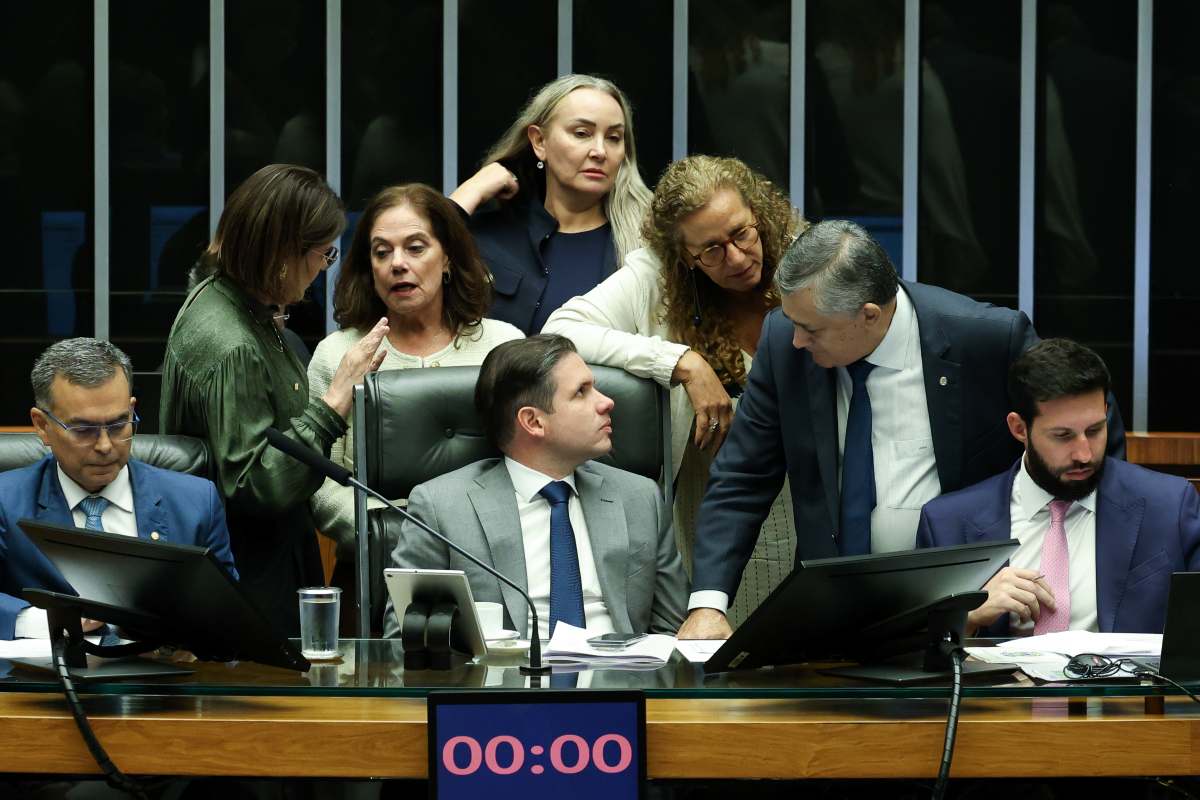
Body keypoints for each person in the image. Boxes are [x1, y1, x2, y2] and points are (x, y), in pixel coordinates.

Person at [679, 219, 1127, 640]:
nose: (797, 339)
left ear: (869, 315)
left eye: (811, 329)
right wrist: (707, 604)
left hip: (963, 612)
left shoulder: (985, 340)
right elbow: (743, 476)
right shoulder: (785, 343)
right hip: (833, 615)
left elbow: (1083, 424)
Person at [544, 155, 807, 628]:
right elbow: (561, 329)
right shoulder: (656, 275)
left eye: (741, 234)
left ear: (757, 213)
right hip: (714, 497)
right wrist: (680, 361)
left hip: (812, 488)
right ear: (684, 255)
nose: (736, 258)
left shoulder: (805, 254)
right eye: (711, 250)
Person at [160, 164, 389, 636]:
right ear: (284, 254)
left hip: (260, 563)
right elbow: (257, 486)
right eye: (323, 254)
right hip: (249, 583)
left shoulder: (225, 299)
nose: (324, 267)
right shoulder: (234, 343)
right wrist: (336, 399)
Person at [383, 334, 687, 640]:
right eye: (581, 392)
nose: (607, 402)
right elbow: (405, 639)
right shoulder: (442, 507)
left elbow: (674, 632)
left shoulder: (640, 498)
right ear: (533, 422)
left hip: (621, 667)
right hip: (508, 669)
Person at [917, 339, 1199, 635]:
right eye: (1063, 436)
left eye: (1095, 430)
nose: (1084, 454)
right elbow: (915, 647)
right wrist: (969, 618)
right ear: (1019, 428)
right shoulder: (948, 526)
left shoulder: (1170, 506)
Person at [308, 183, 523, 560]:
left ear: (447, 258)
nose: (397, 264)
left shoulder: (502, 346)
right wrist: (394, 533)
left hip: (493, 558)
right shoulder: (338, 353)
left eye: (415, 248)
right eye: (382, 252)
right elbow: (319, 481)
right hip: (373, 560)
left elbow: (531, 462)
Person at [0, 338, 237, 640]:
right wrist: (45, 621)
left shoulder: (197, 502)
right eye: (83, 430)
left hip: (159, 667)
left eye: (118, 425)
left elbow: (228, 615)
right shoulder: (6, 502)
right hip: (49, 669)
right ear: (42, 425)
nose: (104, 446)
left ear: (131, 410)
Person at [449, 74, 653, 334]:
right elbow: (413, 270)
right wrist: (470, 191)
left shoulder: (646, 243)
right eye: (582, 133)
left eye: (614, 137)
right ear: (539, 141)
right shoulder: (488, 237)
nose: (600, 151)